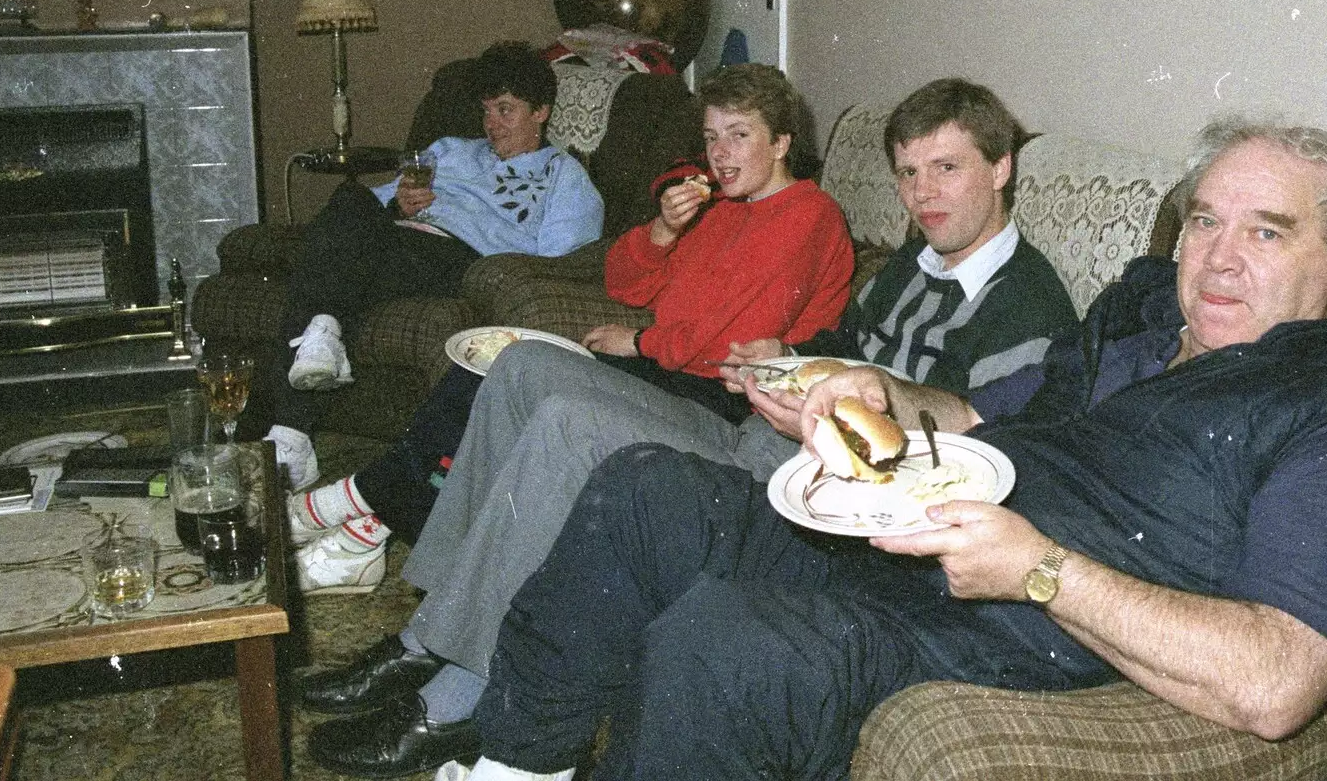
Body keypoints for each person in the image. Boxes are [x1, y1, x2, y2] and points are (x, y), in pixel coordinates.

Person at [439, 116, 1327, 781]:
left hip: (1030, 637)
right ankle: (511, 765)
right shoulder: (1141, 312)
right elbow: (974, 411)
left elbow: (1278, 681)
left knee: (729, 638)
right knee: (646, 487)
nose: (1217, 259)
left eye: (1266, 234)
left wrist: (1040, 570)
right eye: (1203, 224)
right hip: (922, 546)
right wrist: (877, 396)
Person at [301, 79, 1082, 778]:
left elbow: (985, 452)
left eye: (946, 168)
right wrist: (791, 359)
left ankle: (456, 687)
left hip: (788, 490)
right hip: (756, 424)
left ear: (1001, 166)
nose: (922, 194)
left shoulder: (1026, 308)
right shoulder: (916, 267)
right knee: (522, 369)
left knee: (572, 425)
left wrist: (844, 398)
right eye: (908, 173)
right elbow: (829, 345)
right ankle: (425, 637)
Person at [287, 62, 853, 598]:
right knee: (488, 372)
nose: (719, 154)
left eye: (738, 135)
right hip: (669, 370)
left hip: (718, 400)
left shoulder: (809, 215)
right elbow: (624, 283)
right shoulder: (723, 210)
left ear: (781, 142)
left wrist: (637, 342)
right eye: (710, 137)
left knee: (511, 389)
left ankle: (356, 504)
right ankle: (368, 523)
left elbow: (727, 343)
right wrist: (662, 229)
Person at [256, 41, 603, 491]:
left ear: (541, 112)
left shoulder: (563, 176)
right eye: (487, 112)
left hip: (457, 259)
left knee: (330, 268)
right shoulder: (450, 150)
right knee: (348, 198)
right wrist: (400, 204)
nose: (492, 125)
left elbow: (558, 263)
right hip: (396, 242)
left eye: (506, 110)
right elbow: (371, 209)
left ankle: (290, 421)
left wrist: (474, 226)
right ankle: (319, 345)